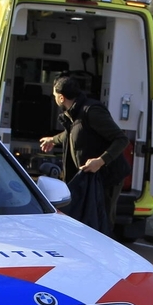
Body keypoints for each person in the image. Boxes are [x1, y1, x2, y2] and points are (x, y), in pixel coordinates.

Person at [40, 76, 130, 232]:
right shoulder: (74, 113)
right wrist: (53, 140)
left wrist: (101, 161)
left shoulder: (92, 111)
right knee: (88, 221)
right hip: (90, 178)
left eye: (54, 96)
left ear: (61, 98)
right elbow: (72, 133)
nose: (54, 99)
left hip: (106, 178)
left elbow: (121, 139)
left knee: (102, 222)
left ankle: (104, 253)